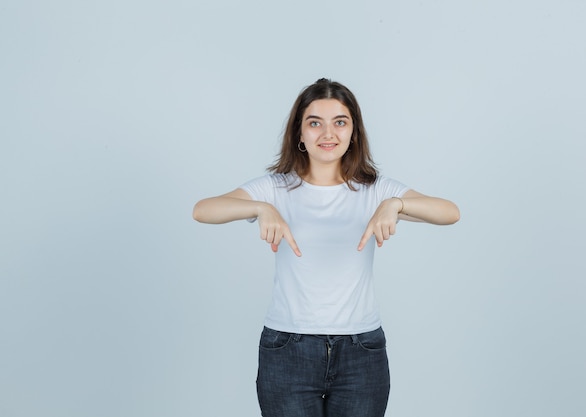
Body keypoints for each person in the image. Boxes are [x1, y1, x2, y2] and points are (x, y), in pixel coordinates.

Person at [192, 78, 460, 417]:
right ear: (299, 134)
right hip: (288, 349)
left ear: (353, 133)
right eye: (315, 122)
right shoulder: (275, 188)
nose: (327, 133)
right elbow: (203, 210)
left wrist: (396, 204)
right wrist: (260, 208)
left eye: (340, 122)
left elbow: (450, 212)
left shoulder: (374, 191)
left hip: (361, 351)